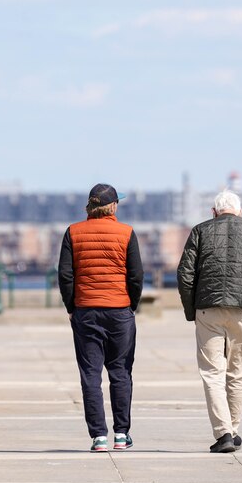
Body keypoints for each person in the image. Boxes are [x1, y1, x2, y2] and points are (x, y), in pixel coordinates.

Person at [176, 189, 242, 454]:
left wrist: (192, 311)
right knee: (239, 373)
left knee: (212, 373)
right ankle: (231, 430)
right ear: (240, 212)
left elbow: (185, 274)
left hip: (208, 310)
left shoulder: (200, 231)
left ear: (214, 212)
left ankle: (225, 433)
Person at [58, 183, 144, 452]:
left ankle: (99, 437)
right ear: (113, 206)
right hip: (120, 310)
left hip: (86, 312)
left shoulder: (73, 232)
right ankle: (121, 434)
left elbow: (65, 276)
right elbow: (136, 276)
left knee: (90, 375)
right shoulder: (127, 233)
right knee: (120, 372)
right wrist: (132, 304)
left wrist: (72, 306)